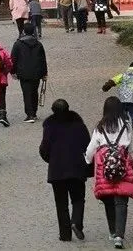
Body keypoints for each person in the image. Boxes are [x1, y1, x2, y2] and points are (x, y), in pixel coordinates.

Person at [85, 97, 133, 250]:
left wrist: (87, 160)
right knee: (121, 201)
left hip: (105, 168)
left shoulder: (100, 127)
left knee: (108, 199)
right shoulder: (126, 125)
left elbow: (91, 149)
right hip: (122, 166)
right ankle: (119, 236)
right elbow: (131, 147)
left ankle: (112, 231)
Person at [40, 99, 91, 242]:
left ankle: (65, 234)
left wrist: (52, 160)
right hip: (77, 167)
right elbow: (88, 146)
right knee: (78, 199)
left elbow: (44, 149)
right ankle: (76, 223)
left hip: (57, 170)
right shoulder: (79, 125)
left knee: (61, 203)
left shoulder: (49, 126)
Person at [12, 24, 48, 123]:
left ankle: (30, 114)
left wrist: (13, 71)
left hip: (23, 72)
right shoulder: (38, 44)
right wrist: (44, 73)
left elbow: (13, 59)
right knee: (34, 92)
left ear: (23, 31)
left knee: (27, 93)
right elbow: (43, 60)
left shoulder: (18, 44)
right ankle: (34, 113)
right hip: (37, 72)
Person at [103, 62, 133, 135]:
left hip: (123, 98)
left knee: (123, 113)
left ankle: (124, 126)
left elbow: (113, 81)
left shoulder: (122, 75)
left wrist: (106, 87)